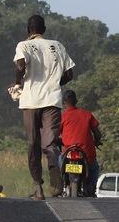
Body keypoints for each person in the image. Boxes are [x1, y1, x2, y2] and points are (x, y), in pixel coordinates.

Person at [13, 14, 74, 200]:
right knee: (50, 143)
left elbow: (21, 66)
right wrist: (56, 82)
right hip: (52, 101)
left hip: (31, 102)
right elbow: (69, 74)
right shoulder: (58, 46)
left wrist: (18, 84)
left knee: (33, 143)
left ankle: (38, 189)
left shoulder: (24, 45)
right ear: (44, 30)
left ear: (27, 30)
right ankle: (54, 168)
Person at [60, 90, 103, 196]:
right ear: (77, 101)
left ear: (63, 103)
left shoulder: (62, 117)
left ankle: (63, 186)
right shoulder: (87, 114)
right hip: (86, 155)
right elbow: (98, 134)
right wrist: (96, 141)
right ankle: (92, 186)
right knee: (95, 167)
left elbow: (55, 134)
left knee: (59, 162)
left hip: (68, 154)